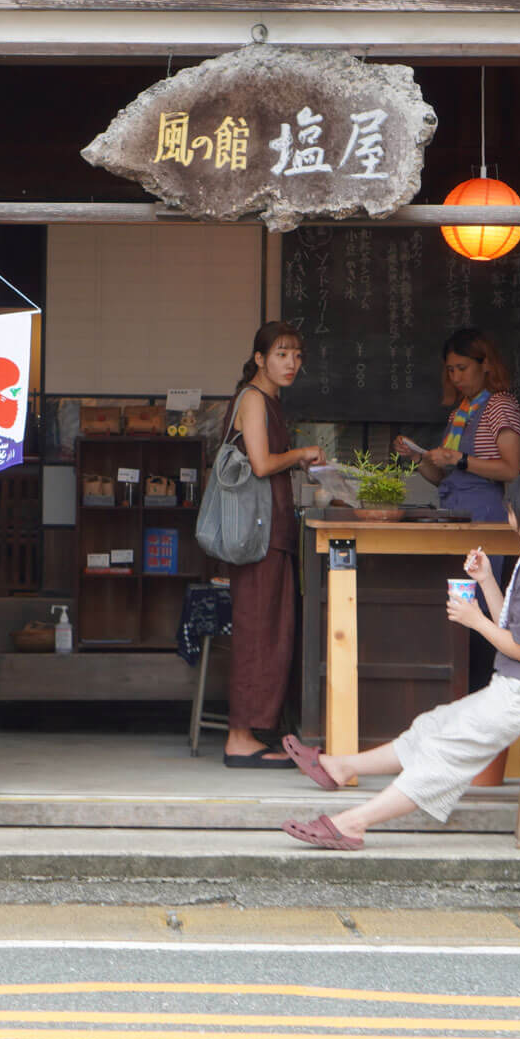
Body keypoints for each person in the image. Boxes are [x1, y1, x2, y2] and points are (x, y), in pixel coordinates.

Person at [278, 469, 520, 849]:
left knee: (448, 749)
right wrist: (487, 580)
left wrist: (473, 620)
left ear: (516, 514)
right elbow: (512, 627)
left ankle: (353, 823)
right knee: (433, 725)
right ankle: (342, 767)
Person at [394, 327, 520, 687]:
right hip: (454, 510)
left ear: (486, 365)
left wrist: (461, 459)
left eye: (463, 367)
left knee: (482, 605)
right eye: (450, 369)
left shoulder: (501, 404)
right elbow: (441, 477)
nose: (456, 376)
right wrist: (419, 457)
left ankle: (485, 685)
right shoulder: (460, 410)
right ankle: (459, 687)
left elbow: (511, 469)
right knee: (458, 603)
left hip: (485, 513)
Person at [221, 320, 326, 767]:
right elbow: (262, 464)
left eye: (298, 355)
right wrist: (301, 454)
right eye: (282, 354)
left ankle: (258, 731)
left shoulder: (269, 402)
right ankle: (239, 737)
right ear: (260, 359)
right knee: (257, 632)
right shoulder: (253, 398)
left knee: (271, 632)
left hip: (271, 533)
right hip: (259, 536)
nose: (292, 363)